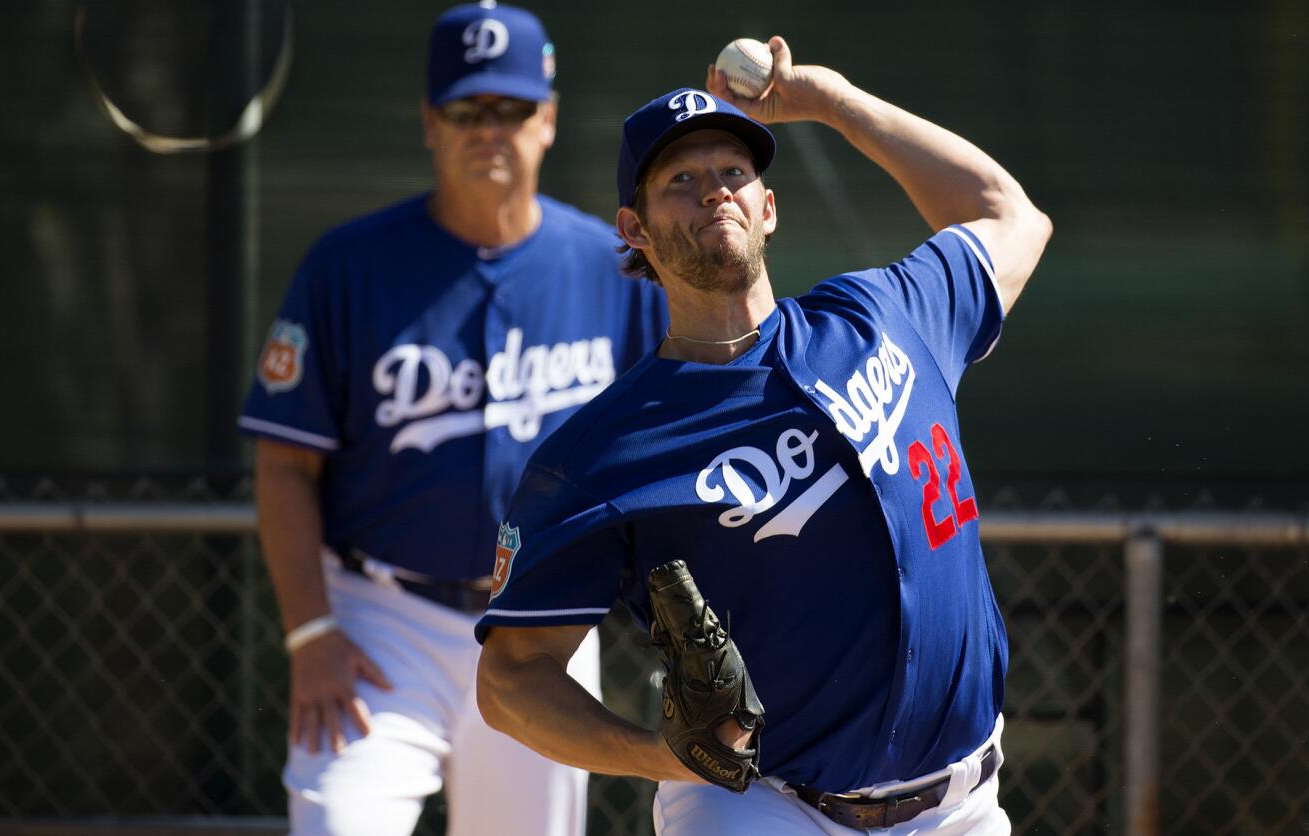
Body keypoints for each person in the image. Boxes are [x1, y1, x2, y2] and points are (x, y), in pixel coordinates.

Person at [473, 36, 1051, 835]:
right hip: (763, 807)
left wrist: (837, 103)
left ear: (768, 208)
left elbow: (1008, 214)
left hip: (961, 807)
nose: (715, 192)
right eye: (682, 180)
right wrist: (657, 755)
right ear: (634, 230)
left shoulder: (882, 315)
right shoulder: (603, 454)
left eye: (733, 173)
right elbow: (510, 680)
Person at [238, 4, 667, 834]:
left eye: (509, 110)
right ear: (430, 124)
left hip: (545, 622)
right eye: (467, 110)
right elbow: (285, 464)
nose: (489, 130)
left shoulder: (615, 270)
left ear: (546, 121)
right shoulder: (348, 267)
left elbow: (671, 441)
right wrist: (310, 633)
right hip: (380, 620)